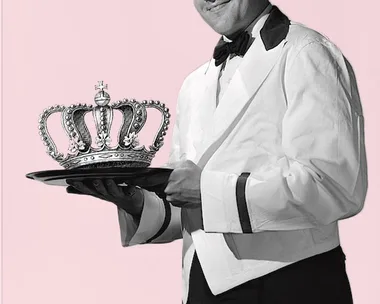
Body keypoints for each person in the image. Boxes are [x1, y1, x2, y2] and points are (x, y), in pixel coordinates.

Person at [67, 0, 368, 303]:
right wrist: (136, 203)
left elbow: (335, 184)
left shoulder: (307, 51)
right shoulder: (194, 84)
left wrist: (208, 191)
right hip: (202, 288)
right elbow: (190, 207)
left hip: (293, 284)